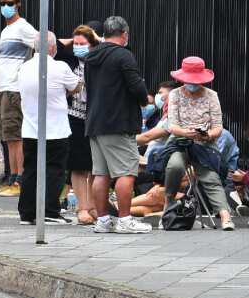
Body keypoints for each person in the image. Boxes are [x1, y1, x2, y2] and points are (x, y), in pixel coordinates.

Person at [82, 15, 151, 234]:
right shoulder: (124, 55)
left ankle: (103, 220)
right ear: (124, 34)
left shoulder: (92, 57)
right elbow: (136, 86)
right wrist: (145, 100)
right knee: (126, 172)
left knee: (101, 173)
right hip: (118, 122)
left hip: (95, 122)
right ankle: (124, 220)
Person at [161, 56, 235, 231]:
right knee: (175, 166)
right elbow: (172, 125)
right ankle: (168, 202)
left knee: (211, 178)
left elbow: (218, 126)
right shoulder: (175, 94)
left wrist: (207, 135)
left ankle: (225, 215)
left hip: (204, 143)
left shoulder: (211, 96)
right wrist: (185, 132)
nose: (192, 83)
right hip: (180, 141)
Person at [14, 33, 80, 225]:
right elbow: (75, 86)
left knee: (30, 171)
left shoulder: (23, 68)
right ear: (52, 48)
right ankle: (50, 210)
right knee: (55, 170)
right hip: (56, 129)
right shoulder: (60, 67)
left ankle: (26, 213)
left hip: (30, 128)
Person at [0, 0, 39, 197]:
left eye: (10, 4)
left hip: (14, 89)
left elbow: (43, 43)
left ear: (18, 4)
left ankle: (19, 180)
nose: (6, 7)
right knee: (7, 136)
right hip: (2, 88)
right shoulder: (5, 30)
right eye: (3, 4)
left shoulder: (23, 27)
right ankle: (11, 177)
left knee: (15, 136)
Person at [66, 24, 100, 223]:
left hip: (96, 119)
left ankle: (95, 205)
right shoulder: (69, 62)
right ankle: (82, 207)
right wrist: (73, 40)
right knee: (79, 166)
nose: (78, 47)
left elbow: (121, 49)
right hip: (75, 118)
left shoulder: (98, 60)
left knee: (95, 166)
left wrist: (97, 38)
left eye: (83, 44)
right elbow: (55, 45)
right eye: (76, 43)